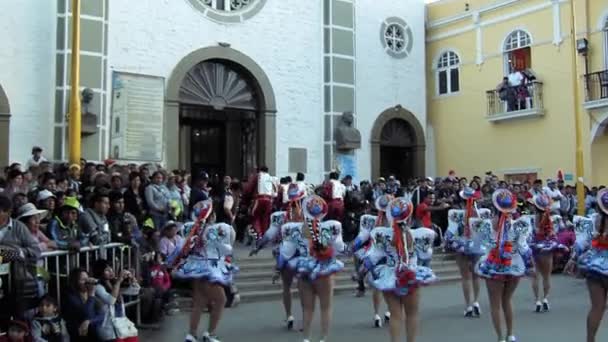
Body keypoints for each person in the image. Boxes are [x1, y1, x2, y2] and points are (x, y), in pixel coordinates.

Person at [360, 197, 436, 342]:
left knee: (395, 315)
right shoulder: (420, 234)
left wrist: (362, 270)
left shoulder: (382, 233)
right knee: (412, 314)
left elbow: (373, 257)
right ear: (409, 216)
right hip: (411, 274)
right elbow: (426, 254)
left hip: (389, 275)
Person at [168, 200, 237, 342]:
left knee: (199, 302)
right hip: (209, 268)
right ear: (211, 216)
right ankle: (210, 334)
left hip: (195, 269)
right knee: (221, 300)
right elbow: (226, 248)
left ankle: (191, 334)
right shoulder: (216, 230)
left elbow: (179, 249)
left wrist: (169, 263)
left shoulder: (189, 229)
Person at [473, 189, 534, 342]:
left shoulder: (486, 225)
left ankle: (500, 338)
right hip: (514, 265)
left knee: (495, 304)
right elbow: (523, 246)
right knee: (507, 300)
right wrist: (529, 264)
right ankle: (511, 335)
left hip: (493, 266)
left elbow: (478, 246)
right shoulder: (518, 225)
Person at [250, 183, 306, 330]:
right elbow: (269, 234)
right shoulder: (285, 217)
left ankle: (294, 317)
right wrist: (258, 246)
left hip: (296, 254)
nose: (296, 205)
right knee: (294, 286)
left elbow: (269, 234)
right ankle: (291, 316)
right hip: (287, 254)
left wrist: (258, 247)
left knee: (295, 286)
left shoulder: (306, 216)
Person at [295, 195, 346, 342]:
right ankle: (323, 338)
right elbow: (339, 248)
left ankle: (306, 338)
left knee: (307, 308)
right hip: (325, 269)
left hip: (305, 268)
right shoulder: (333, 226)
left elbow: (291, 250)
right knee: (326, 307)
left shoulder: (300, 228)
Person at [566, 188, 608, 342]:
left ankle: (590, 340)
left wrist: (572, 259)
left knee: (597, 307)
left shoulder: (592, 220)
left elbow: (581, 242)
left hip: (594, 266)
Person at [444, 187, 490, 318]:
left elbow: (451, 231)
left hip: (461, 246)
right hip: (476, 246)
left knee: (465, 277)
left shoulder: (455, 214)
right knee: (476, 276)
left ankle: (468, 305)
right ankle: (476, 302)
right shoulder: (481, 213)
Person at [351, 194, 393, 327]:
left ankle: (385, 312)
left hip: (390, 256)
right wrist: (354, 245)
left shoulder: (397, 222)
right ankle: (378, 313)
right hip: (378, 254)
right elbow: (363, 235)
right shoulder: (373, 221)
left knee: (388, 286)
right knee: (378, 286)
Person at [0, 194, 42, 320]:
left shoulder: (19, 228)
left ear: (8, 212)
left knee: (19, 319)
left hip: (18, 284)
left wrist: (14, 253)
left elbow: (35, 251)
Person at [528, 194, 568, 313]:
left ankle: (537, 300)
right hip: (546, 249)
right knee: (546, 276)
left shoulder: (531, 219)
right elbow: (559, 229)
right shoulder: (551, 218)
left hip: (534, 248)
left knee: (535, 275)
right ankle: (545, 299)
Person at [92, 259, 139, 342]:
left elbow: (135, 291)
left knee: (133, 338)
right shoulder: (98, 287)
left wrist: (132, 279)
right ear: (100, 272)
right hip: (108, 327)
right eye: (107, 270)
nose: (111, 271)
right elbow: (111, 301)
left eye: (111, 268)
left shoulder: (114, 283)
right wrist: (119, 281)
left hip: (121, 323)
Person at [62, 268, 104, 342]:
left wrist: (89, 321)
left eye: (87, 279)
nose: (86, 282)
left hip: (91, 328)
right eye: (83, 280)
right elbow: (86, 314)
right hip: (77, 332)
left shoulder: (91, 292)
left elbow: (102, 315)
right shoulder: (70, 297)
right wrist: (91, 295)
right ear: (75, 282)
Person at [244, 166, 275, 240]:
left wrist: (246, 197)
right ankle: (265, 235)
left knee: (255, 216)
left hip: (259, 199)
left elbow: (249, 188)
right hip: (269, 200)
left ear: (260, 170)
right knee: (265, 218)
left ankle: (259, 234)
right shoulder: (271, 178)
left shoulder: (257, 176)